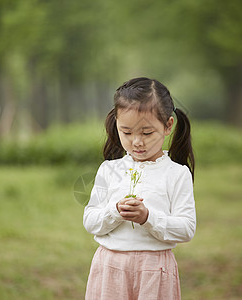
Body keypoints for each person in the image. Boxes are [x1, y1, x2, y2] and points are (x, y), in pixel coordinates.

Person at [83, 77, 196, 300]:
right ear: (116, 124)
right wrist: (115, 211)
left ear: (168, 126)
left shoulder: (177, 173)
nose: (137, 142)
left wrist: (148, 217)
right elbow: (90, 221)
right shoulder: (109, 170)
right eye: (127, 132)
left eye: (146, 133)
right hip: (110, 267)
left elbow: (186, 228)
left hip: (155, 269)